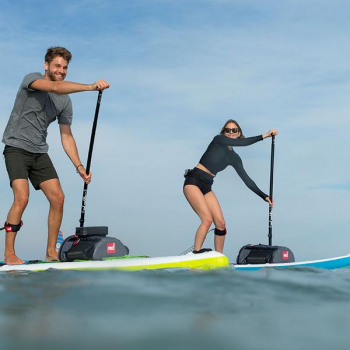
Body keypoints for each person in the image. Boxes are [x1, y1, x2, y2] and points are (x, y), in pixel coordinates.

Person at [1, 46, 110, 265]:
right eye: (57, 66)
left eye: (65, 67)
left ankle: (51, 252)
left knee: (58, 198)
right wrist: (90, 87)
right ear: (46, 66)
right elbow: (55, 87)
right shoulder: (31, 80)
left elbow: (66, 137)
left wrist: (79, 167)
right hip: (16, 147)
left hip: (39, 152)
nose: (61, 70)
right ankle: (9, 253)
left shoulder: (65, 103)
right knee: (21, 197)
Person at [183, 119, 278, 254]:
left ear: (239, 133)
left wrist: (264, 196)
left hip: (207, 186)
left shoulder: (234, 158)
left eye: (234, 130)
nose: (231, 133)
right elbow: (243, 143)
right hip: (193, 181)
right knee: (207, 219)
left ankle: (219, 256)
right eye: (228, 130)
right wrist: (265, 135)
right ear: (224, 132)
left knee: (221, 223)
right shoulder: (218, 140)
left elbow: (247, 180)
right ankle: (196, 253)